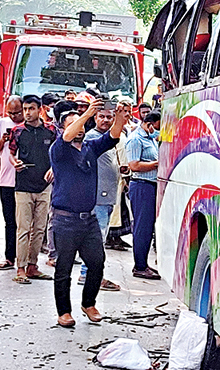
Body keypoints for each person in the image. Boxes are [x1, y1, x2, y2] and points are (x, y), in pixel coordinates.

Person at [47, 96, 128, 326]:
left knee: (97, 262)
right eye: (74, 124)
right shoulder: (59, 150)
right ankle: (64, 311)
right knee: (64, 267)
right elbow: (67, 136)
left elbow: (112, 137)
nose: (80, 127)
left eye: (82, 124)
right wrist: (86, 114)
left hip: (88, 219)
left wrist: (119, 118)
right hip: (65, 220)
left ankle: (88, 303)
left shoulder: (90, 148)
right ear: (64, 128)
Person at [6, 95, 57, 285]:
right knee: (23, 229)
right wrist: (15, 163)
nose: (27, 113)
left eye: (31, 109)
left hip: (44, 186)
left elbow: (58, 153)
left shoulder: (51, 130)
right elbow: (11, 153)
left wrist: (53, 169)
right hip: (23, 187)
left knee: (39, 229)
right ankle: (20, 268)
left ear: (40, 109)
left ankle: (32, 266)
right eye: (25, 109)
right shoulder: (18, 131)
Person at [82, 103, 123, 293]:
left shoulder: (106, 138)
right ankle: (89, 274)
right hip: (98, 197)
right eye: (102, 116)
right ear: (95, 118)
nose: (106, 120)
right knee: (96, 239)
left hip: (107, 196)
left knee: (100, 238)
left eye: (109, 117)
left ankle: (92, 273)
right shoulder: (92, 138)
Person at [122, 109, 162, 280]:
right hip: (141, 185)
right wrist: (157, 164)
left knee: (148, 226)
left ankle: (143, 263)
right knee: (142, 227)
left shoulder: (150, 137)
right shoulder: (135, 139)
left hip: (151, 185)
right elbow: (134, 165)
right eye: (157, 127)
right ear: (149, 124)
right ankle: (139, 266)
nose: (157, 131)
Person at [0, 96, 24, 271]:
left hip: (26, 181)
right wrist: (3, 140)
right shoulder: (2, 123)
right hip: (7, 180)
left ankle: (26, 260)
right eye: (10, 113)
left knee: (26, 223)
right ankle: (10, 258)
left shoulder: (30, 124)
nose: (14, 116)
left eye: (17, 113)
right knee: (10, 221)